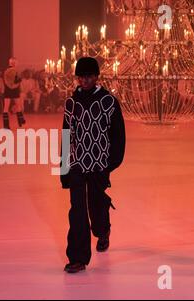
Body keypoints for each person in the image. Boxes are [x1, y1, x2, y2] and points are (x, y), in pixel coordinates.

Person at [61, 57, 126, 274]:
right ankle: (78, 258)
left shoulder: (108, 101)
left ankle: (103, 230)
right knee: (77, 211)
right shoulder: (71, 103)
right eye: (81, 76)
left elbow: (118, 135)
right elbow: (66, 135)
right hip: (77, 165)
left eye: (88, 76)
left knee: (96, 206)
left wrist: (111, 163)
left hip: (99, 164)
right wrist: (64, 168)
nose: (85, 80)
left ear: (96, 77)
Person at [3, 58, 25, 129]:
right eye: (16, 63)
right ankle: (20, 121)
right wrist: (19, 80)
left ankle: (6, 125)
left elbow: (7, 81)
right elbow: (16, 81)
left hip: (7, 89)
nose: (17, 64)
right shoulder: (15, 71)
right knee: (18, 106)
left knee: (6, 108)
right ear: (13, 63)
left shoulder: (6, 71)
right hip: (14, 90)